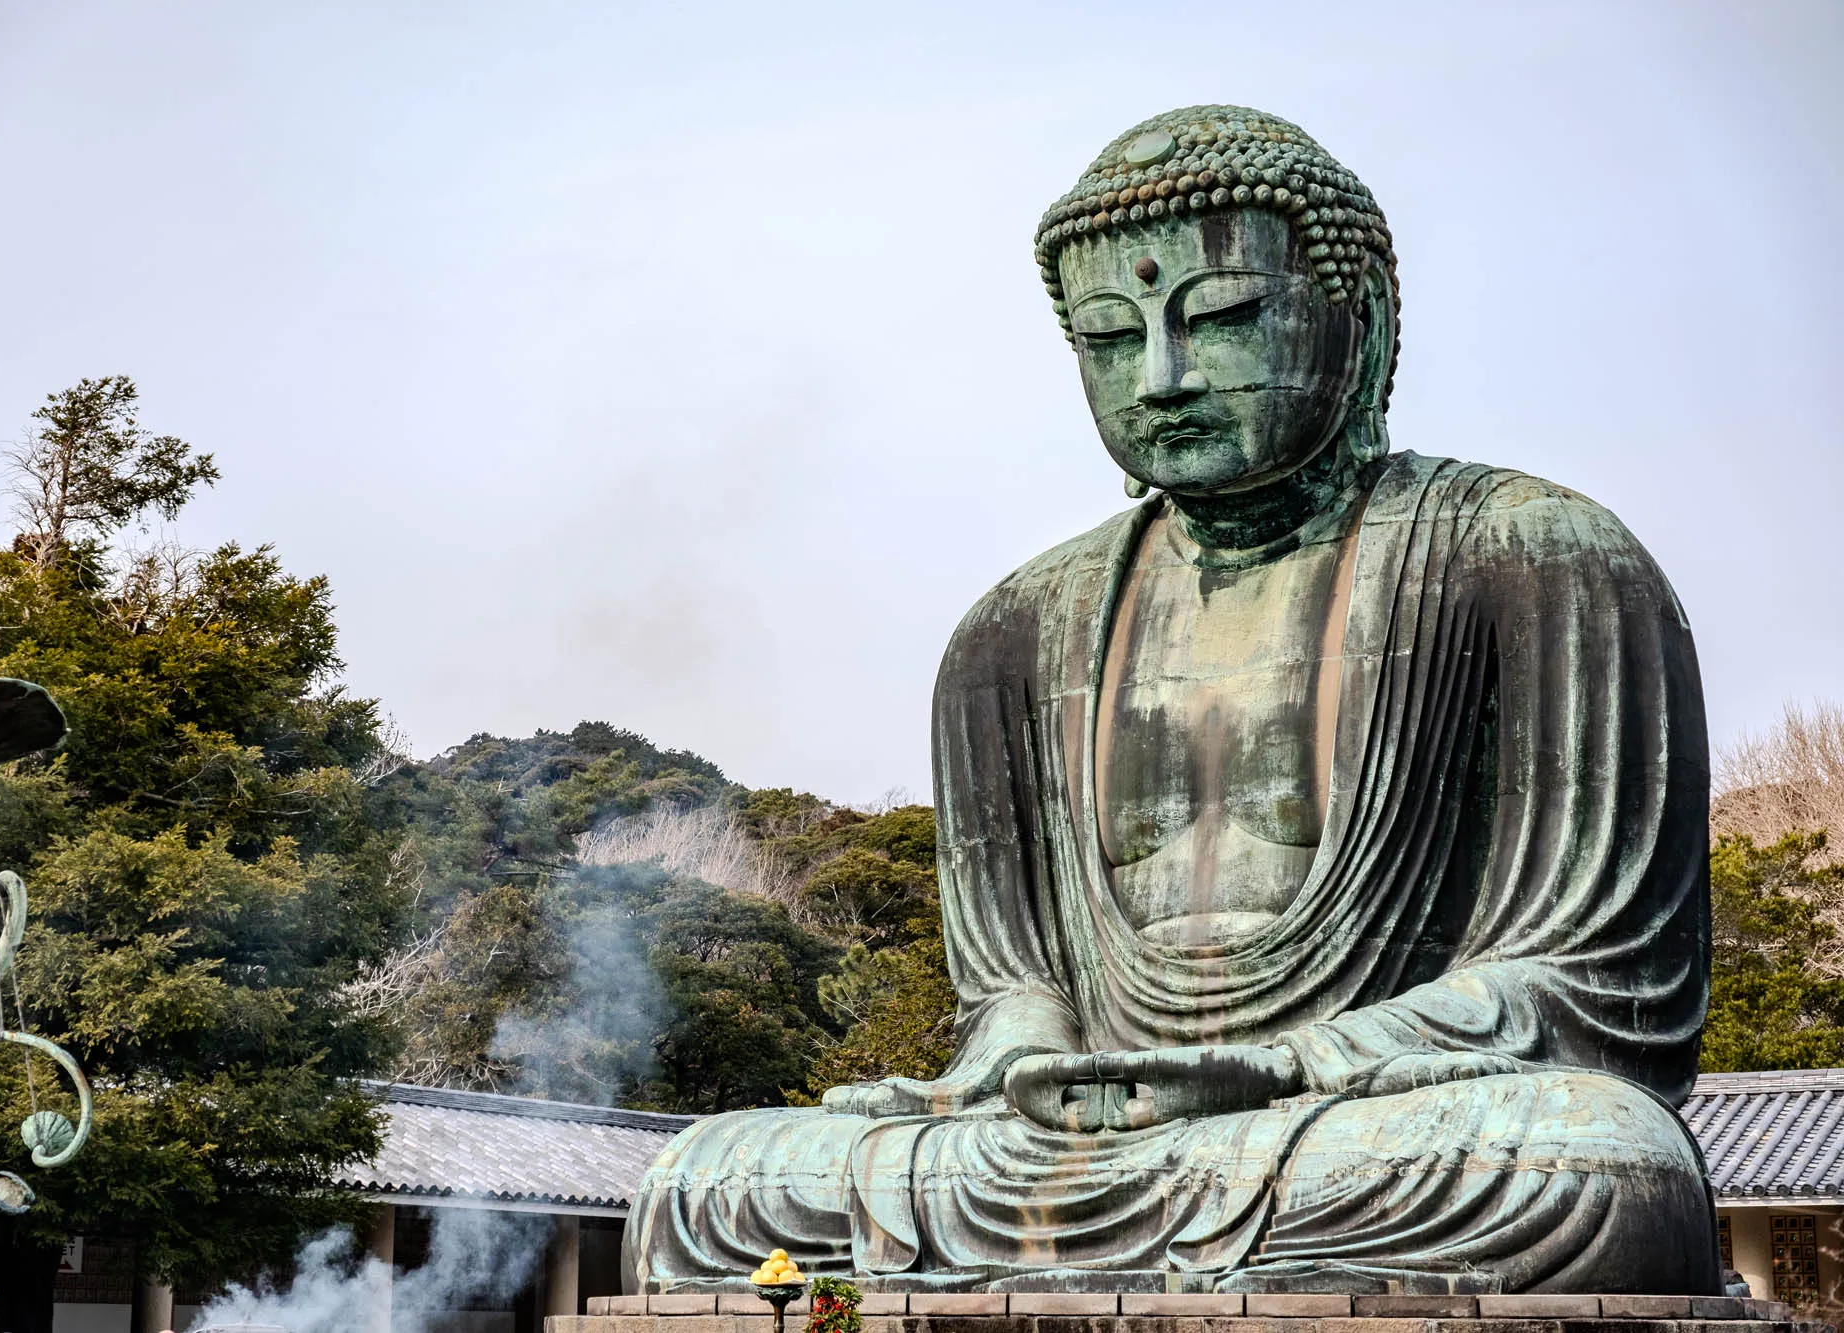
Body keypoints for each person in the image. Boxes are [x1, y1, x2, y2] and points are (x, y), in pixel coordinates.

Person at [623, 105, 1718, 1297]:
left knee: (1593, 1166)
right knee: (702, 1183)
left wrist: (1285, 1066)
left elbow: (1592, 989)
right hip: (1082, 1144)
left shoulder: (1535, 558)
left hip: (1357, 1120)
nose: (1160, 377)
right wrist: (1021, 1058)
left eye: (1222, 317)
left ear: (1363, 319)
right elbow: (1015, 989)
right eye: (1106, 336)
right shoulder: (1010, 632)